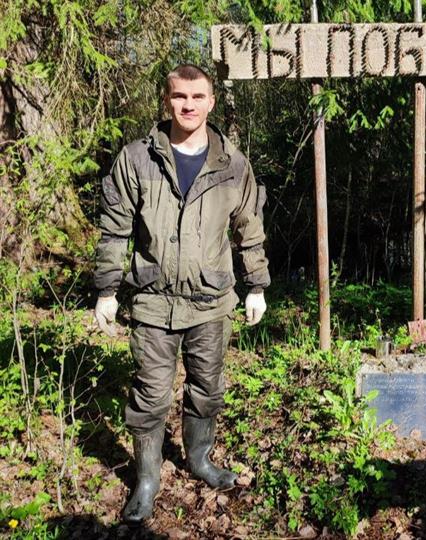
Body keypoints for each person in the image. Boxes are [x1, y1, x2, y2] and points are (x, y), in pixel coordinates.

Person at [93, 64, 270, 524]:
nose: (187, 105)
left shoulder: (232, 164)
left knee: (207, 390)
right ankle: (147, 480)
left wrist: (256, 285)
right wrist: (107, 289)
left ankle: (199, 459)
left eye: (197, 97)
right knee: (151, 397)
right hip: (152, 303)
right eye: (178, 97)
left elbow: (249, 229)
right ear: (166, 101)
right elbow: (115, 231)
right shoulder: (136, 159)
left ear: (211, 102)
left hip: (211, 303)